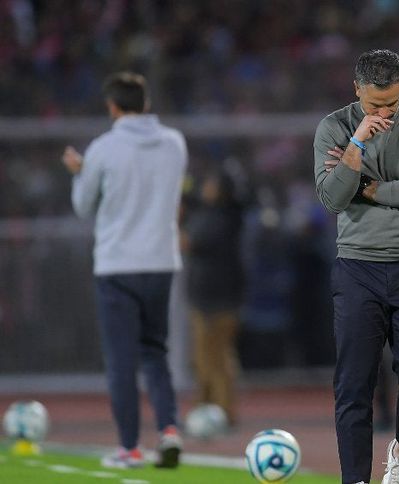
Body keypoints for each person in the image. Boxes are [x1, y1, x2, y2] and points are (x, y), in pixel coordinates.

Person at [313, 49, 399, 484]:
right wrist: (356, 144)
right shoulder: (334, 127)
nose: (386, 113)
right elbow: (332, 198)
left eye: (393, 102)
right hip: (358, 268)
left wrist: (366, 188)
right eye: (376, 105)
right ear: (357, 90)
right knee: (353, 386)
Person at [62, 72, 186, 468]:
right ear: (145, 103)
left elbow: (84, 206)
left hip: (117, 264)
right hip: (161, 261)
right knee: (156, 353)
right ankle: (169, 429)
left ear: (112, 106)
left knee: (121, 361)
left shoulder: (103, 148)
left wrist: (80, 173)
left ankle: (130, 447)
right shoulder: (174, 142)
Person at [181, 169, 245, 426]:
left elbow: (189, 242)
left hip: (215, 299)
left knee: (214, 358)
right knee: (208, 357)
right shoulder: (225, 216)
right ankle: (208, 410)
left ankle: (221, 412)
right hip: (213, 296)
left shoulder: (218, 218)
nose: (205, 187)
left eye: (210, 183)